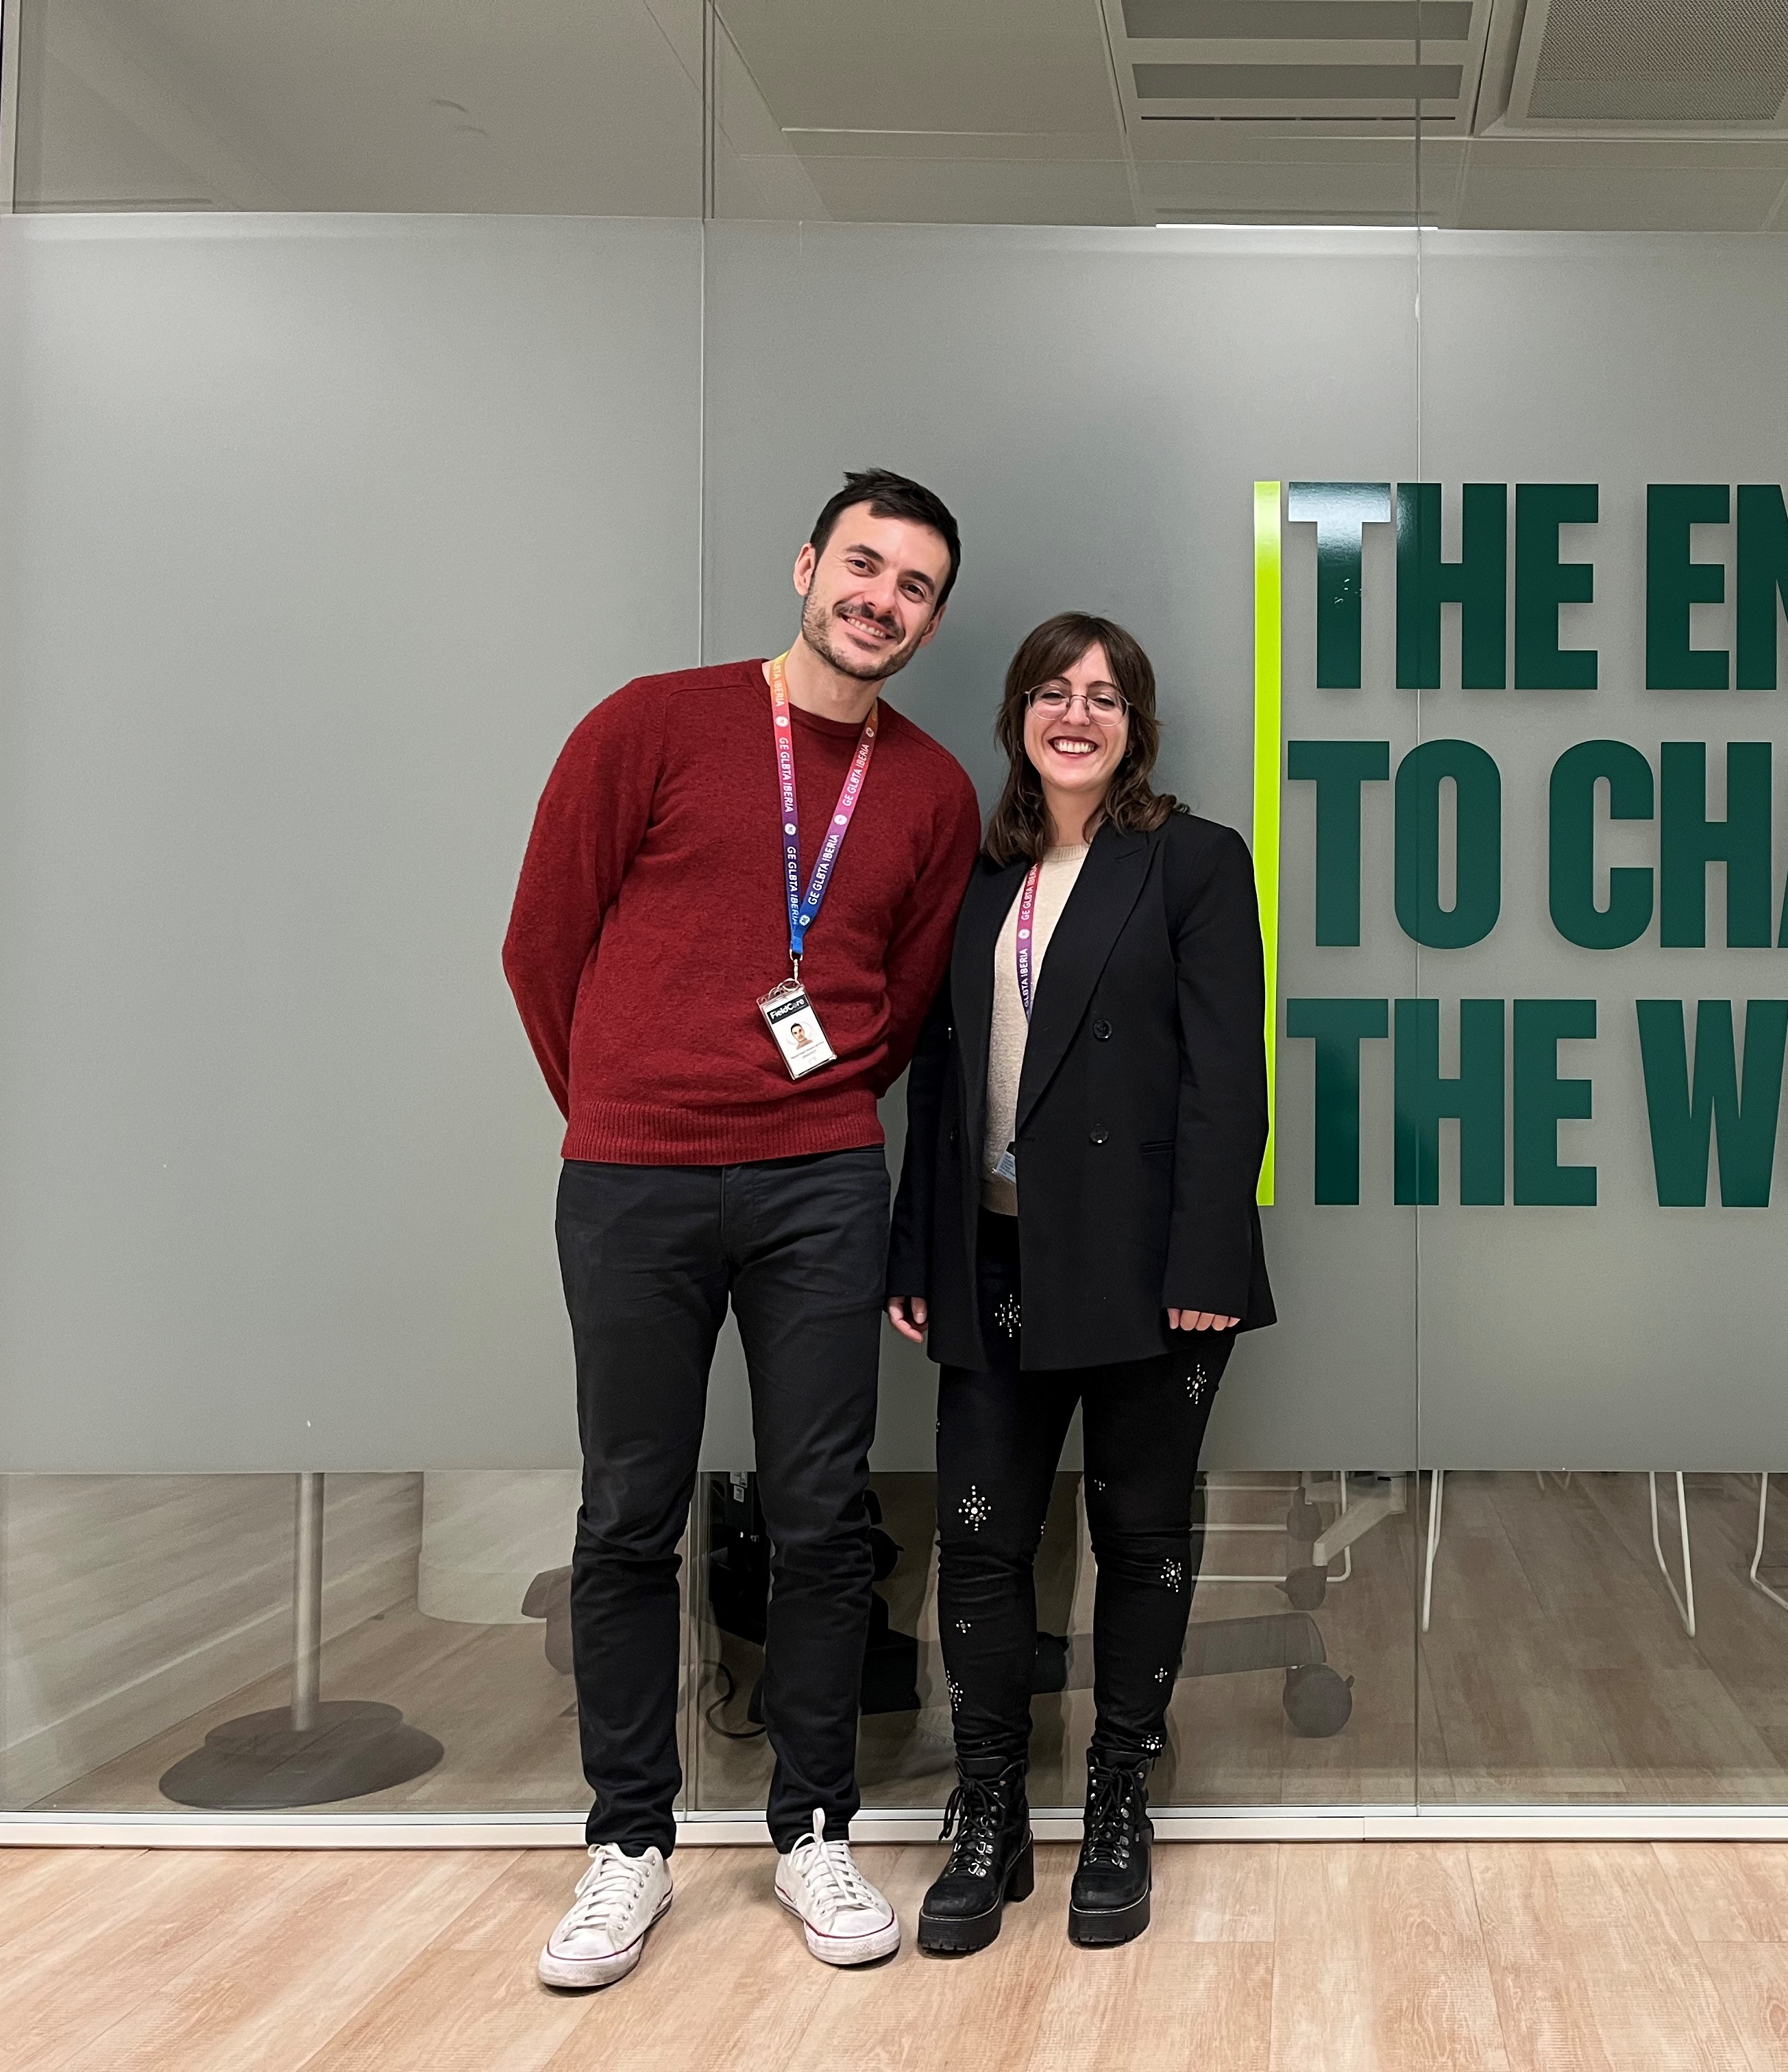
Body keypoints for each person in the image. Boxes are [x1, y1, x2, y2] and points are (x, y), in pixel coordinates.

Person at [502, 469, 980, 1989]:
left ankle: (813, 1828)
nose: (881, 602)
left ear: (929, 620)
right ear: (805, 566)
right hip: (633, 1177)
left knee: (826, 1515)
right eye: (864, 566)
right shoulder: (649, 721)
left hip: (819, 1180)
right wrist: (632, 1113)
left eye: (914, 589)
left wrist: (807, 1113)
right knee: (629, 1512)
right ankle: (626, 1846)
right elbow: (542, 944)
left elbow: (900, 1007)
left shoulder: (932, 791)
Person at [885, 612, 1273, 1954]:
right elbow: (941, 1077)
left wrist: (1212, 1261)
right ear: (1019, 718)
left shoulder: (1193, 865)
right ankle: (987, 1811)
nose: (1077, 713)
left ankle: (1118, 1801)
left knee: (1142, 1541)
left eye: (1104, 696)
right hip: (991, 1256)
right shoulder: (984, 879)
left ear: (1135, 726)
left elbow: (1231, 1083)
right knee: (983, 1544)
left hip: (1152, 1270)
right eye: (1054, 691)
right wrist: (916, 1248)